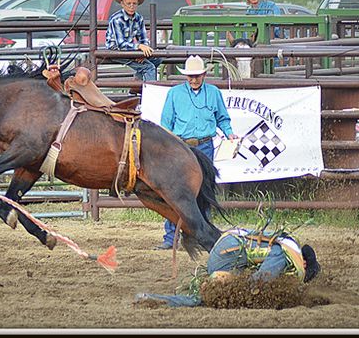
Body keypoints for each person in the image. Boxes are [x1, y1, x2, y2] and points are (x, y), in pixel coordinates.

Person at [155, 55, 238, 250]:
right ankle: (171, 237)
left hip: (204, 145)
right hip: (180, 146)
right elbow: (166, 125)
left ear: (204, 74)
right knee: (174, 190)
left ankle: (202, 236)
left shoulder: (213, 93)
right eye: (190, 76)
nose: (193, 79)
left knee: (203, 191)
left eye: (197, 76)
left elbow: (222, 118)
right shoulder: (175, 94)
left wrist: (229, 134)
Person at [136, 227, 321, 307]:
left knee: (212, 293)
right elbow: (263, 278)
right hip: (229, 254)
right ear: (304, 263)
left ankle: (153, 298)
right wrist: (245, 293)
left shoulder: (285, 242)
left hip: (228, 247)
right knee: (207, 299)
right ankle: (152, 299)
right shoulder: (288, 254)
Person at [105, 0, 163, 81]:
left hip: (131, 49)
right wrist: (139, 48)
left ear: (137, 5)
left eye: (134, 3)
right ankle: (150, 94)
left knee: (157, 58)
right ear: (122, 4)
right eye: (128, 3)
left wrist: (142, 53)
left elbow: (143, 38)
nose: (131, 6)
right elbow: (120, 44)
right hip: (116, 51)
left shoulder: (139, 18)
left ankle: (136, 85)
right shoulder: (117, 19)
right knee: (149, 67)